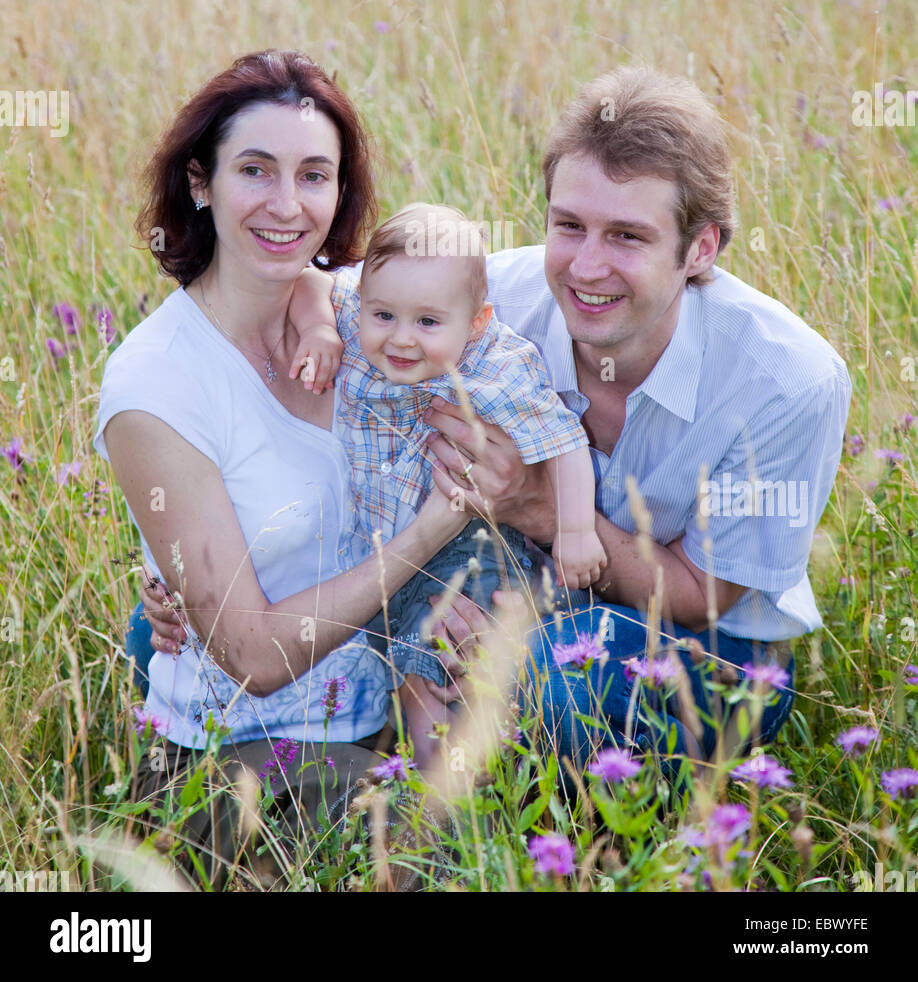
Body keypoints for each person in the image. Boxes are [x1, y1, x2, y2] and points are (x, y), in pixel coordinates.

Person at [95, 50, 472, 887]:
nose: (286, 204)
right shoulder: (156, 384)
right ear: (201, 183)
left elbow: (519, 284)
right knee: (429, 858)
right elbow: (253, 655)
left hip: (384, 717)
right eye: (255, 170)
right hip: (240, 752)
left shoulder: (368, 312)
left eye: (314, 175)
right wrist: (430, 535)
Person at [419, 66, 852, 770]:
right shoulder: (490, 302)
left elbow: (698, 594)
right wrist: (322, 328)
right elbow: (344, 310)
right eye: (569, 226)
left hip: (716, 648)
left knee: (548, 681)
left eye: (627, 236)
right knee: (385, 632)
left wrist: (533, 501)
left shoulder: (786, 381)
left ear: (701, 249)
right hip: (518, 588)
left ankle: (601, 845)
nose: (587, 267)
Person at [301, 201, 601, 760]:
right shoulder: (351, 318)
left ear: (476, 322)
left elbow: (565, 441)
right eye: (383, 315)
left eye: (428, 323)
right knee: (410, 667)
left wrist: (577, 530)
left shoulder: (498, 366)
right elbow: (310, 281)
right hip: (391, 550)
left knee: (440, 667)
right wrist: (319, 328)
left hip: (471, 552)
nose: (402, 340)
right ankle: (444, 780)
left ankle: (447, 800)